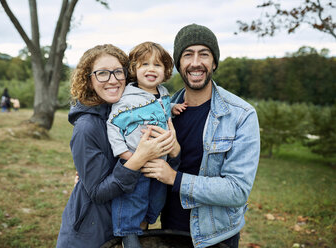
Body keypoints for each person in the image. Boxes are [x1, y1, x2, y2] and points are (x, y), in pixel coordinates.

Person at [141, 24, 261, 248]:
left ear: (214, 62)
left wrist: (175, 178)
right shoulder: (161, 112)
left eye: (204, 54)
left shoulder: (241, 115)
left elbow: (237, 191)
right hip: (168, 230)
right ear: (179, 64)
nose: (196, 62)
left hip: (216, 236)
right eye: (188, 55)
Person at [56, 44, 179, 248]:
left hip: (125, 224)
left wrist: (175, 152)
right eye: (102, 73)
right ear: (89, 79)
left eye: (117, 72)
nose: (112, 80)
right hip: (90, 235)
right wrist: (137, 159)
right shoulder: (86, 127)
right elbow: (97, 192)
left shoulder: (124, 109)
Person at [107, 41, 185, 247]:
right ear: (133, 69)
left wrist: (174, 107)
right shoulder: (127, 99)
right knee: (132, 202)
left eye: (158, 65)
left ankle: (143, 228)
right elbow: (113, 125)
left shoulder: (164, 93)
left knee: (155, 201)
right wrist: (124, 154)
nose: (151, 69)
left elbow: (161, 106)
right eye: (144, 65)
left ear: (166, 70)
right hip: (136, 161)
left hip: (159, 163)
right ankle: (129, 236)